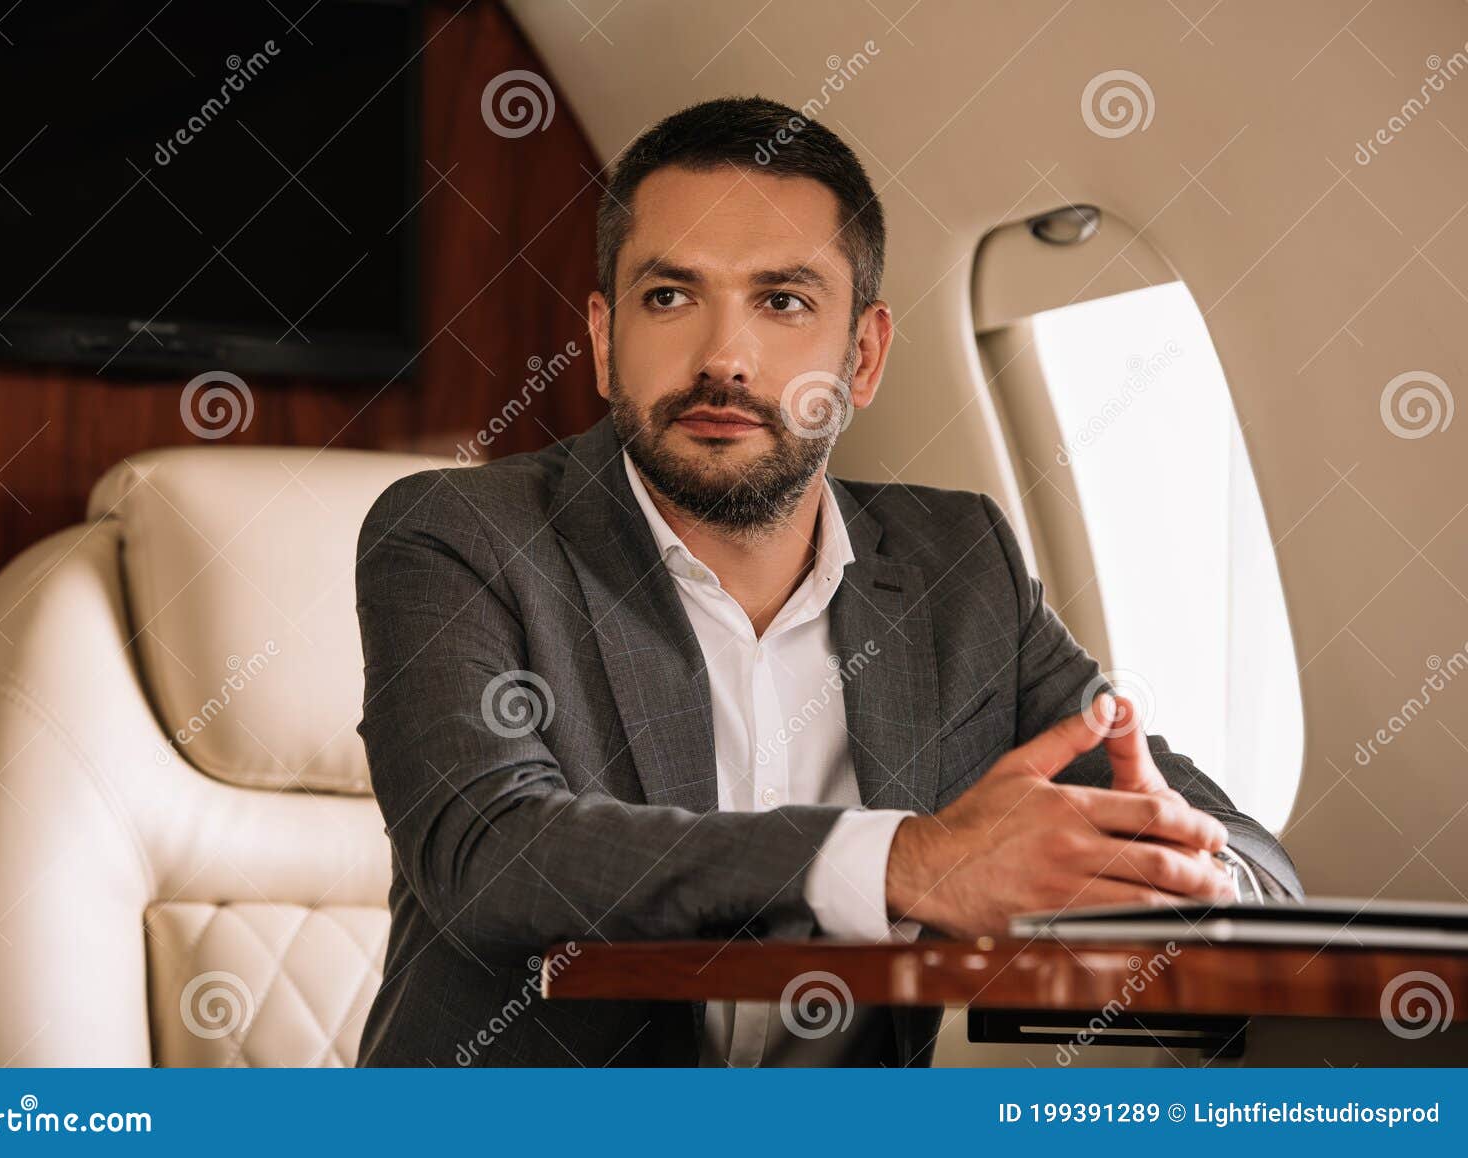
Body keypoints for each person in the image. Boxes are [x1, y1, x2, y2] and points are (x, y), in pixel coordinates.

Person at [353, 95, 1300, 1068]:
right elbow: (496, 855)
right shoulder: (457, 536)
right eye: (669, 297)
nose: (724, 358)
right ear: (601, 340)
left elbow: (1248, 851)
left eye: (783, 301)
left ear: (864, 354)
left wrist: (1187, 875)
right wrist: (915, 863)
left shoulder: (957, 566)